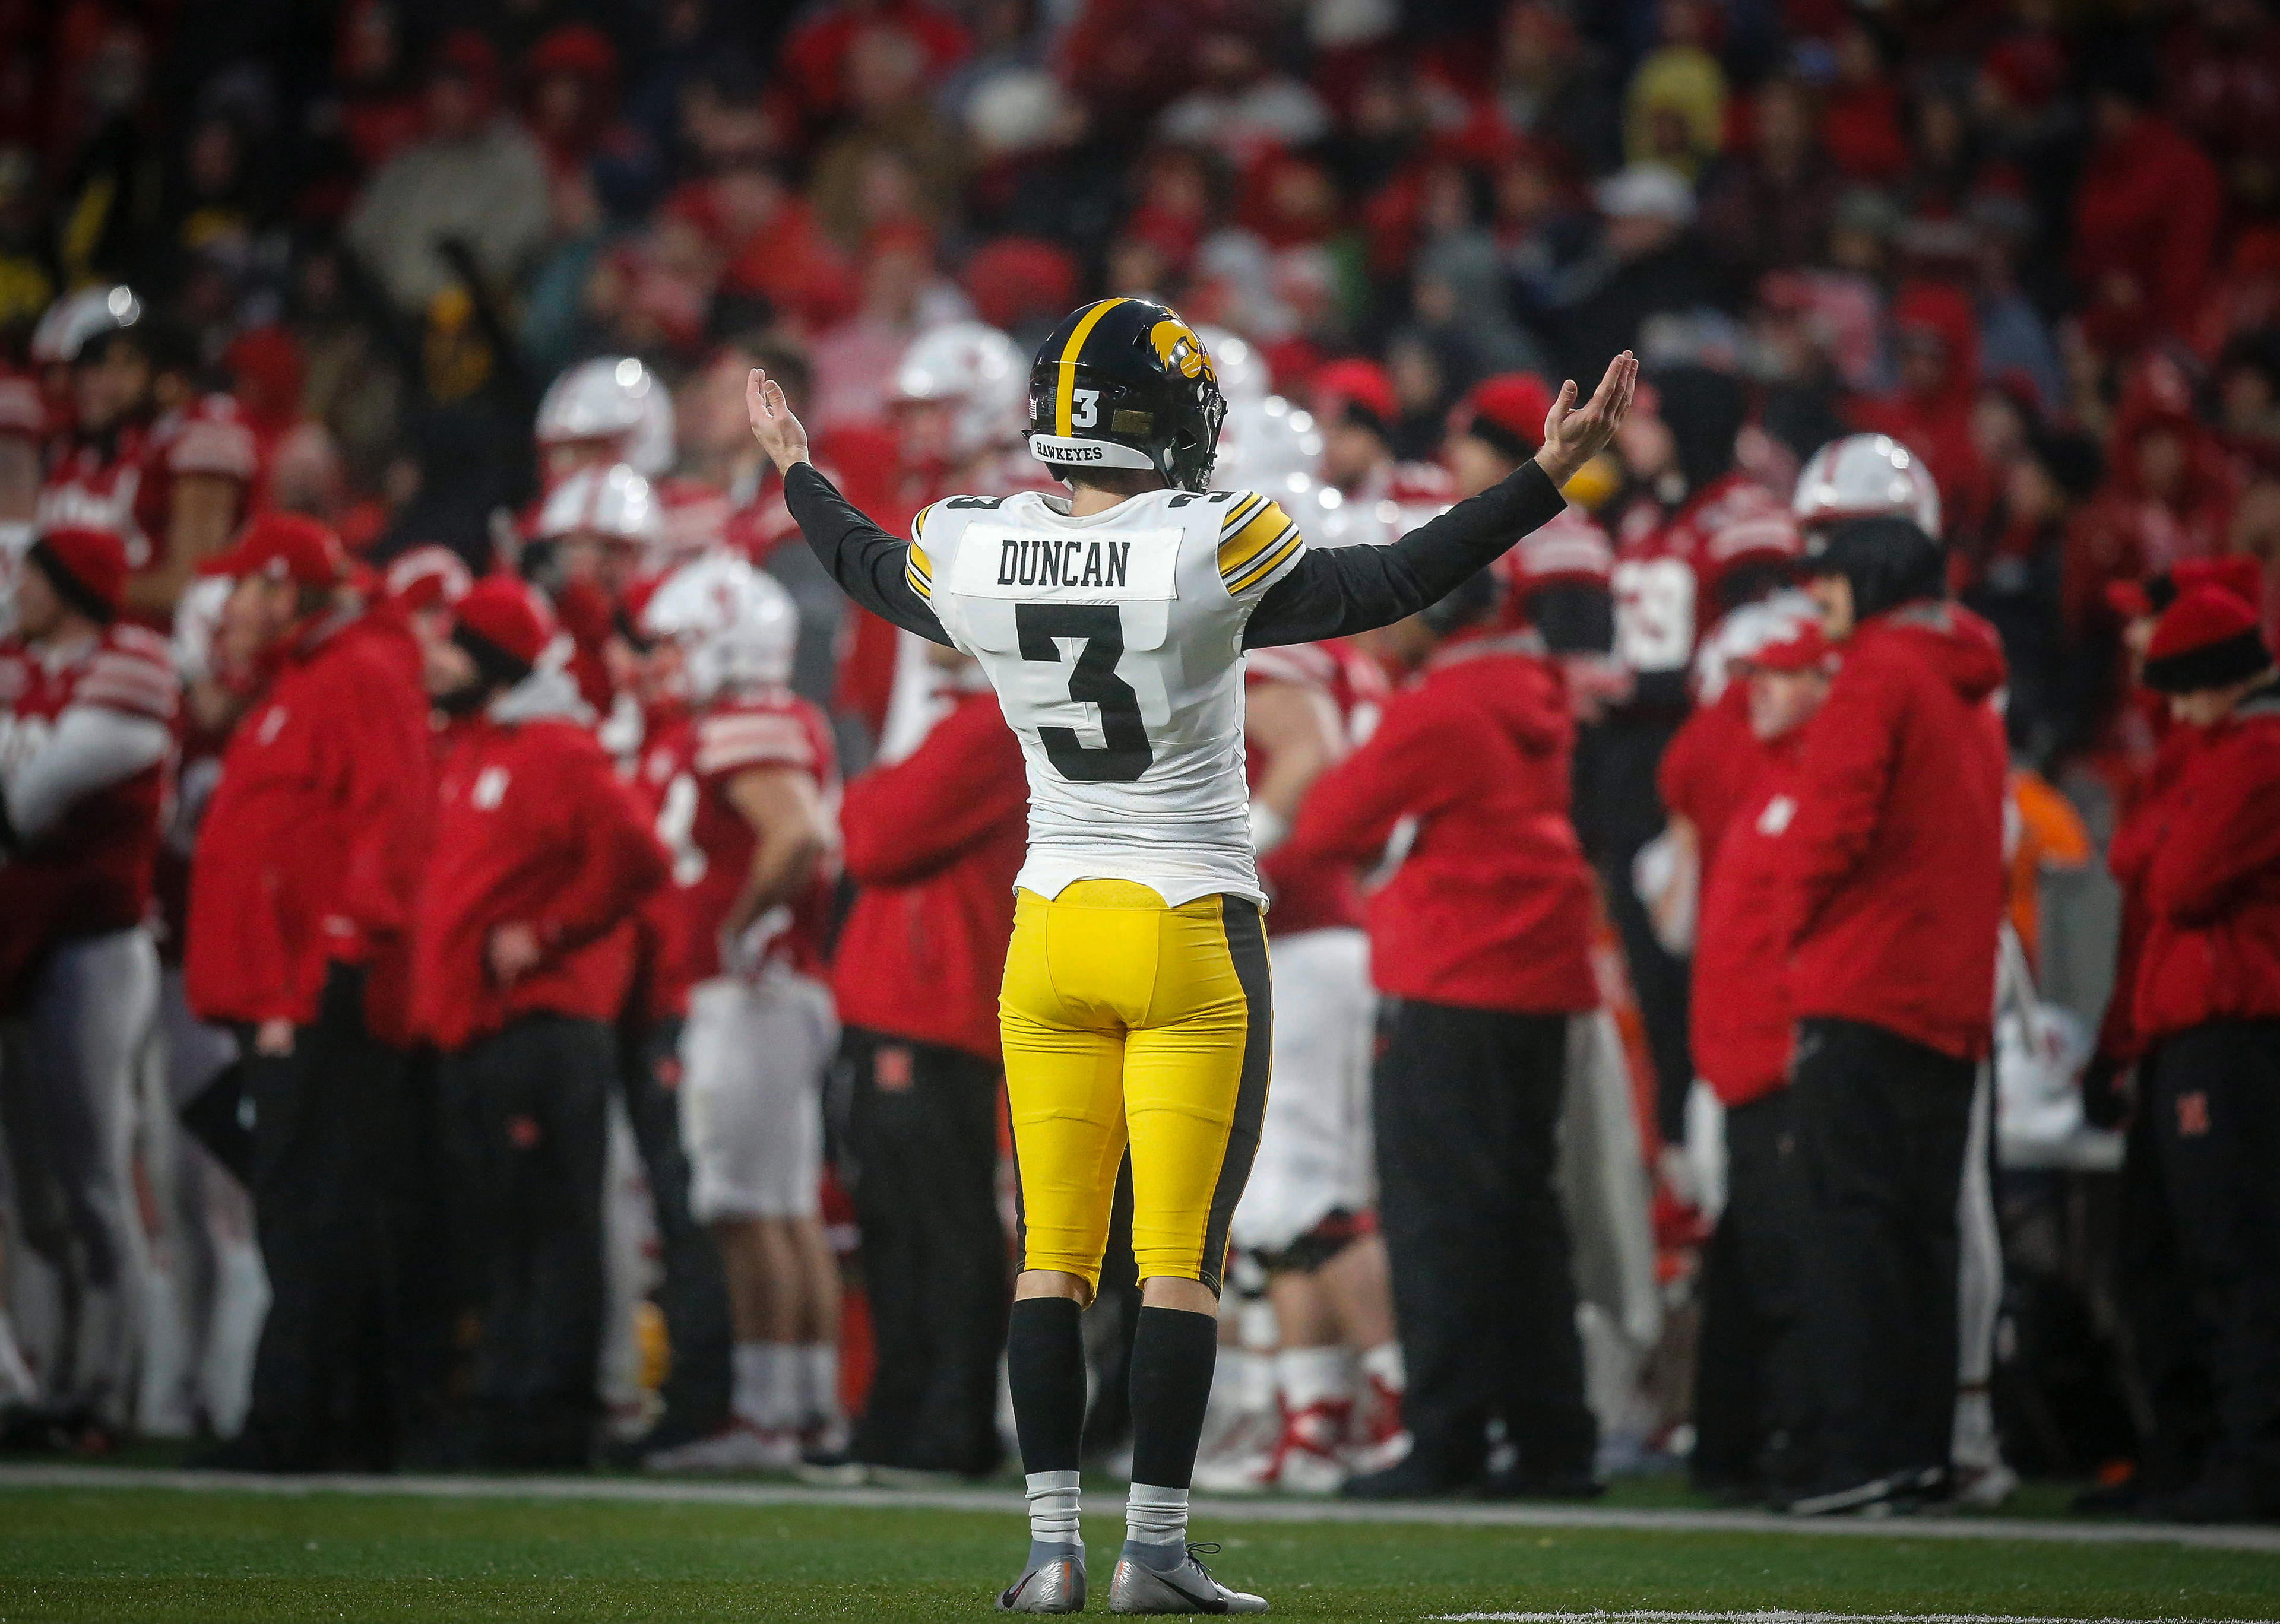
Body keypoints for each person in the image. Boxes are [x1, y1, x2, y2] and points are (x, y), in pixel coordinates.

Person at [748, 295, 1634, 1613]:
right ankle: (1152, 1551)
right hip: (1187, 924)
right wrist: (1544, 480)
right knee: (1177, 1262)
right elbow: (1393, 581)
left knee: (1051, 1255)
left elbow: (868, 567)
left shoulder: (980, 544)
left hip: (1049, 932)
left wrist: (797, 473)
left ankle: (1049, 1553)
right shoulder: (1209, 542)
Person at [1275, 570, 1603, 1502]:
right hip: (1537, 979)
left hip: (1452, 977)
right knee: (1525, 1218)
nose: (1385, 621)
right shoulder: (1526, 693)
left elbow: (1331, 821)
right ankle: (1552, 1440)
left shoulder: (1443, 708)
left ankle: (1448, 1436)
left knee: (1439, 1222)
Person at [185, 512, 433, 1471]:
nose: (231, 606)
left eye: (246, 585)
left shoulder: (357, 673)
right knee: (320, 1204)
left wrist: (332, 959)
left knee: (308, 1208)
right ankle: (355, 1421)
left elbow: (393, 819)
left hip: (321, 987)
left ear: (286, 588)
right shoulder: (307, 676)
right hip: (285, 987)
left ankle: (293, 1421)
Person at [1778, 513, 2009, 1515]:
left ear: (1869, 577)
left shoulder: (1878, 671)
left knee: (1852, 1229)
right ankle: (1919, 1452)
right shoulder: (1969, 684)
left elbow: (1833, 824)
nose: (1818, 593)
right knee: (1922, 1232)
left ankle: (1862, 1452)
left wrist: (1787, 924)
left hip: (1866, 984)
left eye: (1829, 575)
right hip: (1949, 994)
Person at [411, 576, 669, 1467]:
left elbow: (638, 852)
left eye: (454, 645)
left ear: (492, 659)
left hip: (545, 1027)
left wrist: (553, 932)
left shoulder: (556, 747)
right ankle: (503, 1399)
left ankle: (548, 1414)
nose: (434, 660)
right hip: (483, 1023)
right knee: (504, 1226)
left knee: (550, 1226)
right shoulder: (480, 743)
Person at [635, 555, 844, 1474]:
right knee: (784, 1211)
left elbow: (797, 833)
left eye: (674, 644)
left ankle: (766, 1418)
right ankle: (806, 1410)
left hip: (751, 994)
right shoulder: (768, 717)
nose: (659, 663)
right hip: (773, 992)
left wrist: (738, 927)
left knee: (749, 1212)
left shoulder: (743, 722)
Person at [1197, 634, 1404, 1497]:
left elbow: (1312, 754)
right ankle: (1316, 1415)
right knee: (1284, 1207)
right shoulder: (1352, 663)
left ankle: (1394, 1404)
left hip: (1301, 940)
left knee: (1317, 1205)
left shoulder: (1283, 649)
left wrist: (1230, 874)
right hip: (1323, 935)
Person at [833, 641, 1027, 1480]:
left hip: (933, 1003)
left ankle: (947, 1427)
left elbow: (875, 837)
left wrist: (871, 787)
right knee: (903, 1223)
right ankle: (904, 1420)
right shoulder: (975, 721)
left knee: (937, 1226)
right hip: (923, 1003)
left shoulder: (993, 722)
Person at [0, 526, 173, 1446]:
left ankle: (114, 1389)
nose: (19, 591)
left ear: (68, 585)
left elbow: (28, 805)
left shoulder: (131, 663)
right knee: (34, 1196)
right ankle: (56, 1380)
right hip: (19, 946)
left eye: (33, 577)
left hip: (93, 947)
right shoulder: (22, 667)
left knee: (95, 1177)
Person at [2123, 586, 2280, 1522]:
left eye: (2185, 691)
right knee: (2196, 1252)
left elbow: (2174, 878)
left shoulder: (2256, 753)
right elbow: (2142, 856)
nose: (2177, 713)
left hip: (2233, 1030)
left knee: (2234, 1251)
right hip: (2203, 1027)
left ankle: (2254, 1456)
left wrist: (2166, 842)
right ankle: (2216, 1451)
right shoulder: (2231, 750)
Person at [1666, 610, 1829, 1504]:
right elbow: (1682, 769)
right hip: (1736, 1066)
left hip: (1785, 1063)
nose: (1756, 690)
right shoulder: (1763, 770)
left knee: (1788, 1267)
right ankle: (1733, 1448)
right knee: (1745, 1263)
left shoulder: (1824, 780)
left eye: (1782, 673)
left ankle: (1797, 1446)